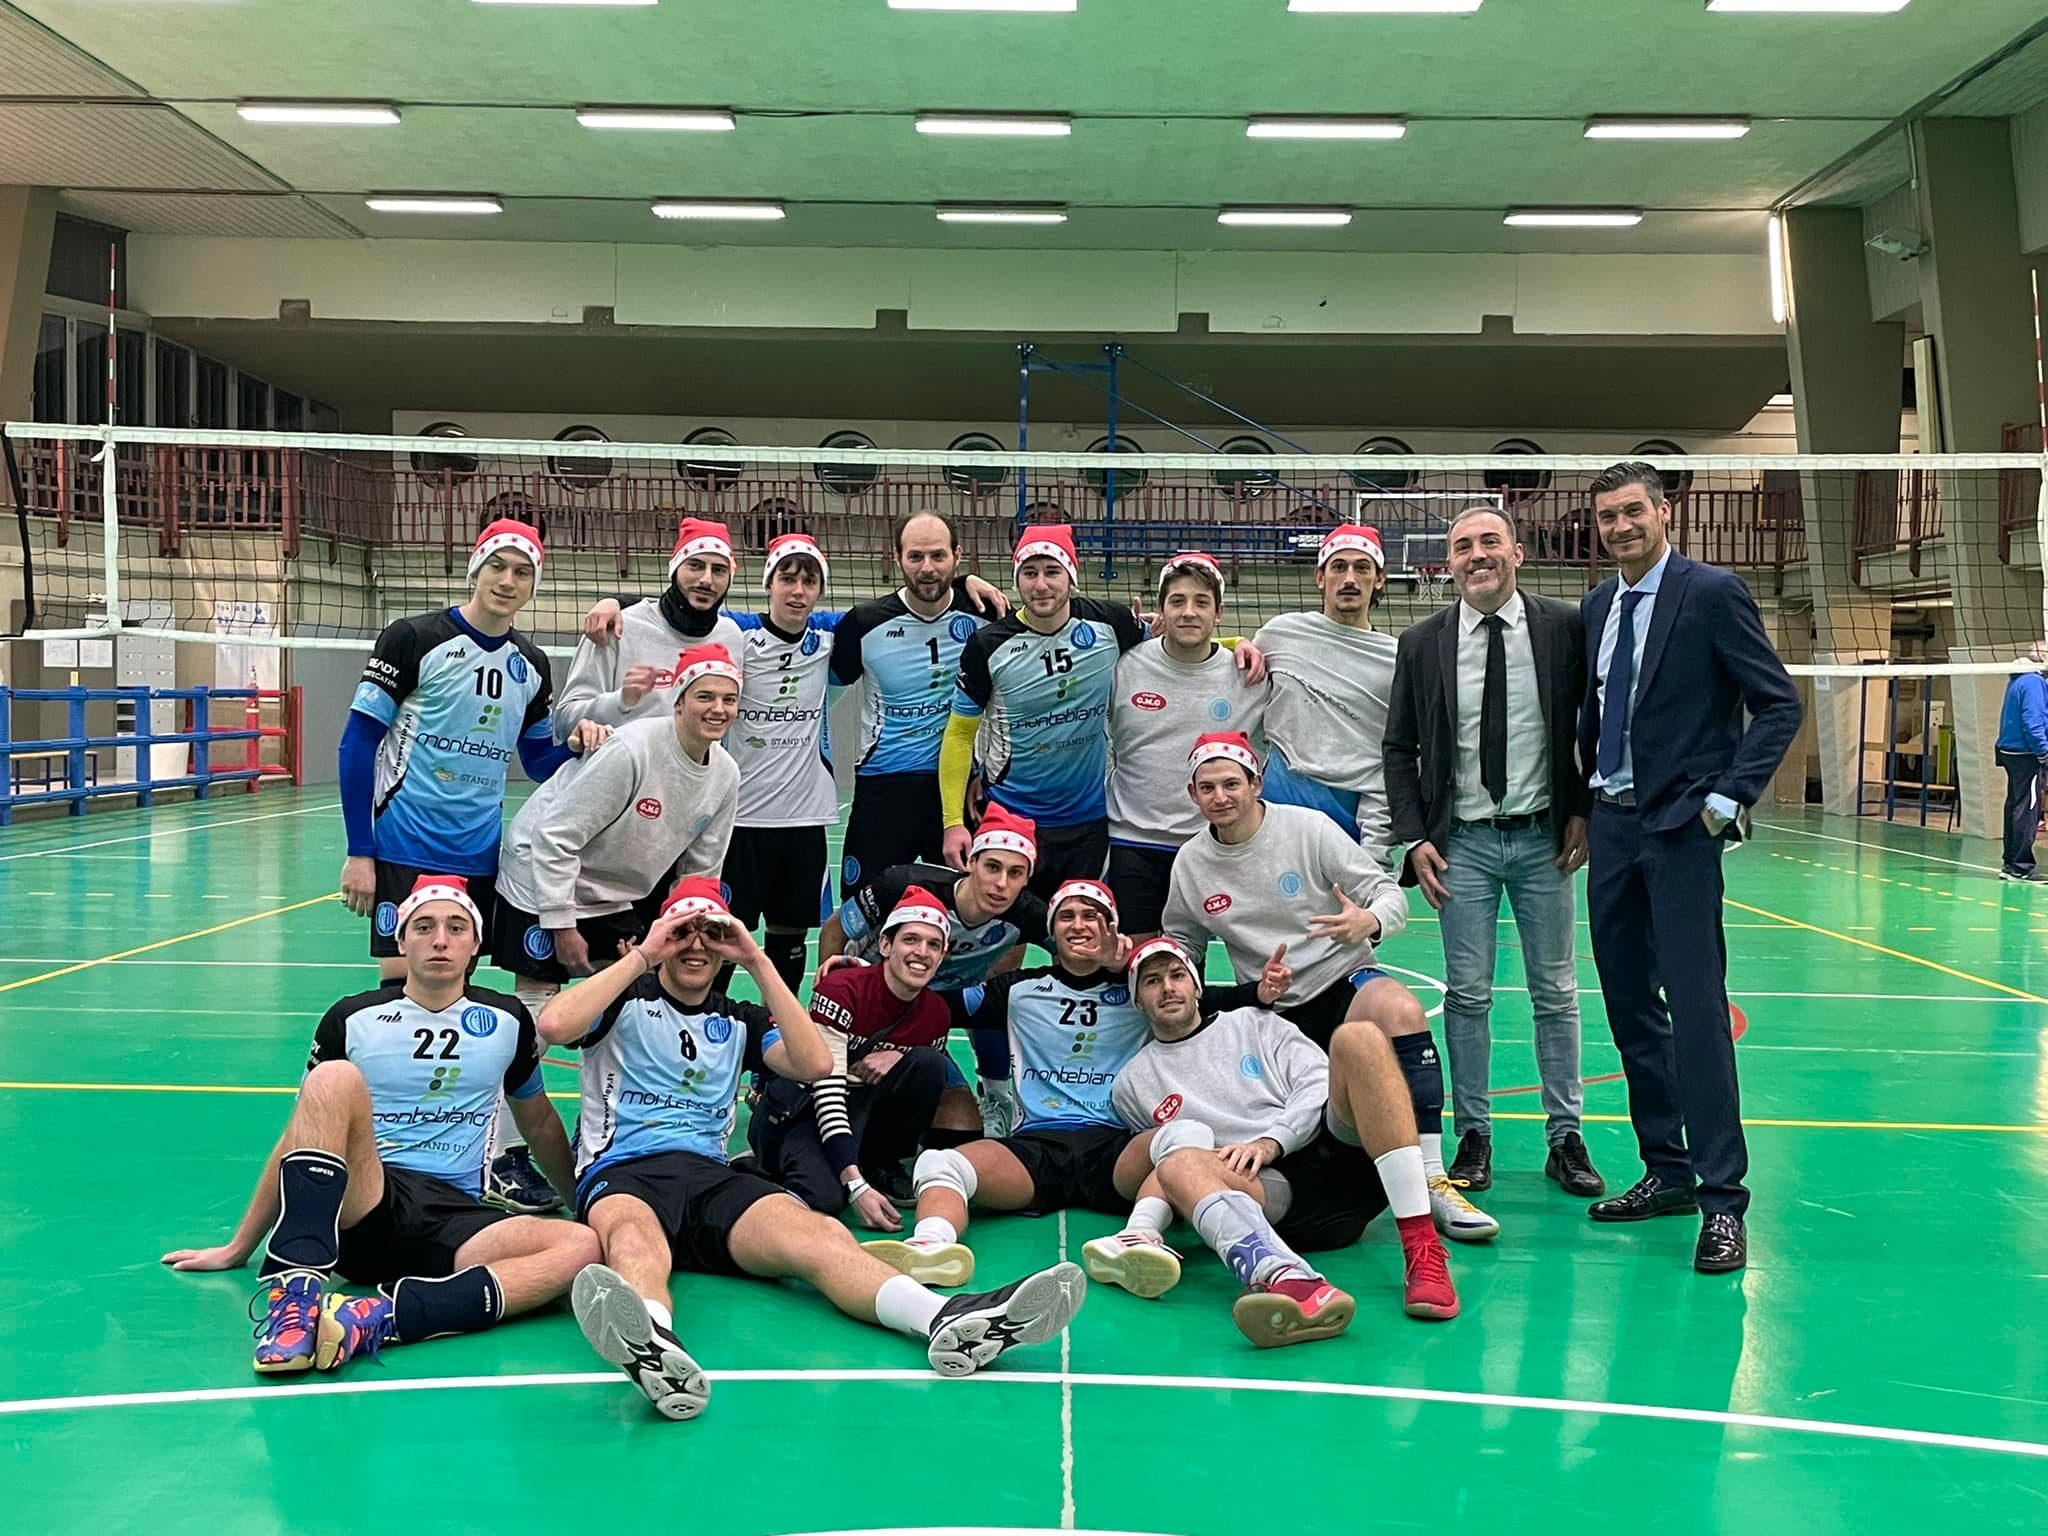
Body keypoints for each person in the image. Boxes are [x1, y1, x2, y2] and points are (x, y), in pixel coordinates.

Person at [539, 877, 1086, 1420]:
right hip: (626, 1169)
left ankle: (943, 1317)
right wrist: (646, 953)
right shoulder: (624, 1000)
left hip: (710, 1176)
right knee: (632, 1236)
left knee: (820, 1233)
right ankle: (653, 1341)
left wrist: (756, 958)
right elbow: (555, 1023)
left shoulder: (739, 1019)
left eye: (711, 933)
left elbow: (815, 1063)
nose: (696, 945)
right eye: (683, 932)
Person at [162, 876, 598, 1375]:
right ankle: (296, 1295)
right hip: (368, 1202)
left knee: (580, 1246)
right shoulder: (353, 1017)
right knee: (333, 1078)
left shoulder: (506, 1018)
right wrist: (240, 1245)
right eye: (424, 927)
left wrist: (580, 1205)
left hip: (455, 1219)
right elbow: (300, 1137)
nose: (440, 940)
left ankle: (379, 1317)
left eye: (456, 928)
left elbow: (538, 1121)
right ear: (401, 941)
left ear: (476, 944)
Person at [335, 517, 605, 1215]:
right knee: (400, 1000)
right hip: (402, 847)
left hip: (480, 856)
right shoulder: (412, 638)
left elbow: (536, 760)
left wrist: (578, 744)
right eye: (499, 567)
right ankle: (386, 1151)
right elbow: (357, 743)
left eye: (523, 572)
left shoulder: (531, 663)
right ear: (476, 570)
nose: (508, 582)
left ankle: (486, 1153)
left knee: (466, 1004)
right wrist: (360, 850)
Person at [1578, 460, 1801, 1274]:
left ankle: (1723, 1200)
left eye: (1632, 511)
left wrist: (1728, 797)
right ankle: (1666, 1171)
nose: (1620, 527)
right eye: (1607, 516)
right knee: (1629, 1006)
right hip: (1611, 826)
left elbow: (1778, 703)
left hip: (1679, 830)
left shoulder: (1711, 593)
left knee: (1698, 1013)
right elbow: (1596, 710)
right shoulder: (1598, 606)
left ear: (1663, 512)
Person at [1163, 732, 1497, 1242]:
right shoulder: (1191, 863)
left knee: (1401, 1010)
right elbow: (1182, 941)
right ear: (1193, 794)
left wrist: (1370, 921)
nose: (1220, 797)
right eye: (1207, 788)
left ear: (1256, 784)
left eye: (1232, 783)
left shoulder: (1309, 829)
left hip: (1341, 979)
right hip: (1270, 1007)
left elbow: (1386, 893)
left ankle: (1432, 1180)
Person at [1383, 505, 1602, 1198]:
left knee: (1556, 992)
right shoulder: (1422, 642)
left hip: (1543, 839)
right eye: (1462, 546)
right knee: (1469, 994)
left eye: (1489, 542)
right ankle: (1473, 1133)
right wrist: (1416, 836)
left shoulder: (1565, 628)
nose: (1476, 555)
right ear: (1447, 563)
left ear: (1517, 552)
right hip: (1464, 845)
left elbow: (1594, 725)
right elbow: (1399, 747)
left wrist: (1583, 809)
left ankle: (1565, 1137)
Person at [1088, 937, 1458, 1340]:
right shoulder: (1132, 1084)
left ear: (1197, 987)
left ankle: (1423, 1251)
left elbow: (1316, 1083)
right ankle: (1291, 1281)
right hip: (1269, 1199)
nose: (1167, 988)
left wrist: (1271, 1141)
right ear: (1138, 1001)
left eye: (1177, 975)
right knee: (1178, 1163)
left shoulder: (1253, 1023)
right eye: (1152, 981)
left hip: (1335, 1158)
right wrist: (1148, 1223)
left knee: (1360, 1037)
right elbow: (1164, 1170)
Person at [862, 879, 1159, 1288]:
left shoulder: (1142, 986)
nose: (1078, 925)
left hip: (1116, 1148)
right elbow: (931, 1004)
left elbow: (1199, 1003)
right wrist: (862, 979)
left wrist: (1124, 967)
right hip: (1035, 1150)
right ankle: (930, 1246)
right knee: (938, 1162)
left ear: (1111, 927)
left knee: (1184, 1139)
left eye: (1091, 916)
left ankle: (1140, 1239)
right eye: (1066, 916)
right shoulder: (1020, 989)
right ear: (1051, 930)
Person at [492, 643, 740, 1003]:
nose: (718, 709)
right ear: (679, 703)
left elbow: (700, 873)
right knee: (540, 1006)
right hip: (537, 870)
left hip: (611, 891)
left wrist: (689, 929)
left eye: (729, 700)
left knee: (634, 994)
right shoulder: (632, 750)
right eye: (705, 697)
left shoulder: (726, 775)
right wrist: (561, 925)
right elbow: (555, 836)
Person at [939, 524, 1153, 896]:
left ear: (1071, 575)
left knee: (1079, 925)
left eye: (1052, 572)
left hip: (1087, 820)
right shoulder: (989, 645)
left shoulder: (1110, 623)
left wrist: (1239, 645)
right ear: (1017, 579)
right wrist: (953, 822)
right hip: (1009, 816)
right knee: (1007, 928)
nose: (1041, 585)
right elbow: (959, 734)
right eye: (1030, 573)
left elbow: (1176, 646)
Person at [819, 804, 1049, 1137]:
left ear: (1027, 878)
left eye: (1015, 873)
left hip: (932, 1018)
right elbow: (834, 929)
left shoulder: (1028, 914)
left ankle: (995, 1097)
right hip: (869, 1006)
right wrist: (831, 998)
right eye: (992, 867)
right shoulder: (904, 883)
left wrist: (1114, 955)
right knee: (827, 1095)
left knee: (961, 1127)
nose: (1001, 883)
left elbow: (1076, 957)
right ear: (971, 862)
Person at [828, 509, 1011, 895]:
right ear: (897, 558)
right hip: (883, 788)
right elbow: (822, 689)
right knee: (860, 911)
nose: (927, 568)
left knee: (971, 910)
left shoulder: (987, 617)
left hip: (960, 791)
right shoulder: (864, 624)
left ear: (957, 556)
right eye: (915, 556)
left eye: (938, 556)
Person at [751, 885, 954, 1221]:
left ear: (943, 955)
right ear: (885, 945)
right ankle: (757, 1170)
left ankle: (881, 1163)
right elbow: (827, 1093)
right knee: (824, 1198)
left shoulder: (936, 1013)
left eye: (934, 944)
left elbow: (918, 1084)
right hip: (808, 1106)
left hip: (863, 1105)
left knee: (929, 1064)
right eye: (910, 939)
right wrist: (855, 1184)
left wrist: (899, 1056)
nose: (922, 952)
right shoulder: (841, 989)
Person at [1106, 550, 1270, 936]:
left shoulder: (1248, 675)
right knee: (1135, 957)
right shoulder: (1125, 665)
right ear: (1161, 611)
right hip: (1132, 841)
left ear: (1219, 612)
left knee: (1188, 960)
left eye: (1201, 602)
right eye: (1177, 601)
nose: (1189, 613)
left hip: (1209, 843)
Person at [720, 531, 842, 995]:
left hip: (803, 820)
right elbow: (675, 614)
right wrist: (613, 602)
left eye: (809, 582)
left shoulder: (828, 635)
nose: (797, 591)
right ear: (769, 584)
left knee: (789, 936)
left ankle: (780, 1027)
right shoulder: (735, 632)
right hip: (738, 820)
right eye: (787, 579)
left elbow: (895, 609)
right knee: (722, 932)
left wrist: (966, 582)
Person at [1251, 524, 1401, 859]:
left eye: (1362, 568)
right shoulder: (1281, 634)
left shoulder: (1397, 658)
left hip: (1355, 817)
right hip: (1278, 805)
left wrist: (1377, 842)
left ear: (1379, 579)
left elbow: (1401, 753)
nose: (1349, 578)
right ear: (1320, 577)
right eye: (1338, 567)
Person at [554, 517, 746, 736]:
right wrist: (620, 701)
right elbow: (564, 723)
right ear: (675, 569)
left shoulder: (731, 636)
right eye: (695, 565)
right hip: (619, 758)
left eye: (719, 570)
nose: (706, 579)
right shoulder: (615, 627)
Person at [1995, 642, 2048, 882]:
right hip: (2026, 754)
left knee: (2016, 806)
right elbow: (2032, 721)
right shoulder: (2033, 682)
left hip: (2012, 752)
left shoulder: (2018, 679)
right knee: (2027, 809)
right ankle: (2021, 866)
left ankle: (2011, 863)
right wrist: (2043, 752)